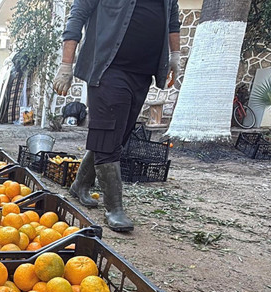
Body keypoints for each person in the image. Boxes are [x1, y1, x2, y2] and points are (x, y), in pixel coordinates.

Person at [54, 0, 181, 232]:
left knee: (116, 136)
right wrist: (66, 65)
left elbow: (173, 22)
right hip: (107, 69)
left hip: (143, 74)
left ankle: (80, 184)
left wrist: (175, 56)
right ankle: (114, 208)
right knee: (107, 133)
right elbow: (77, 17)